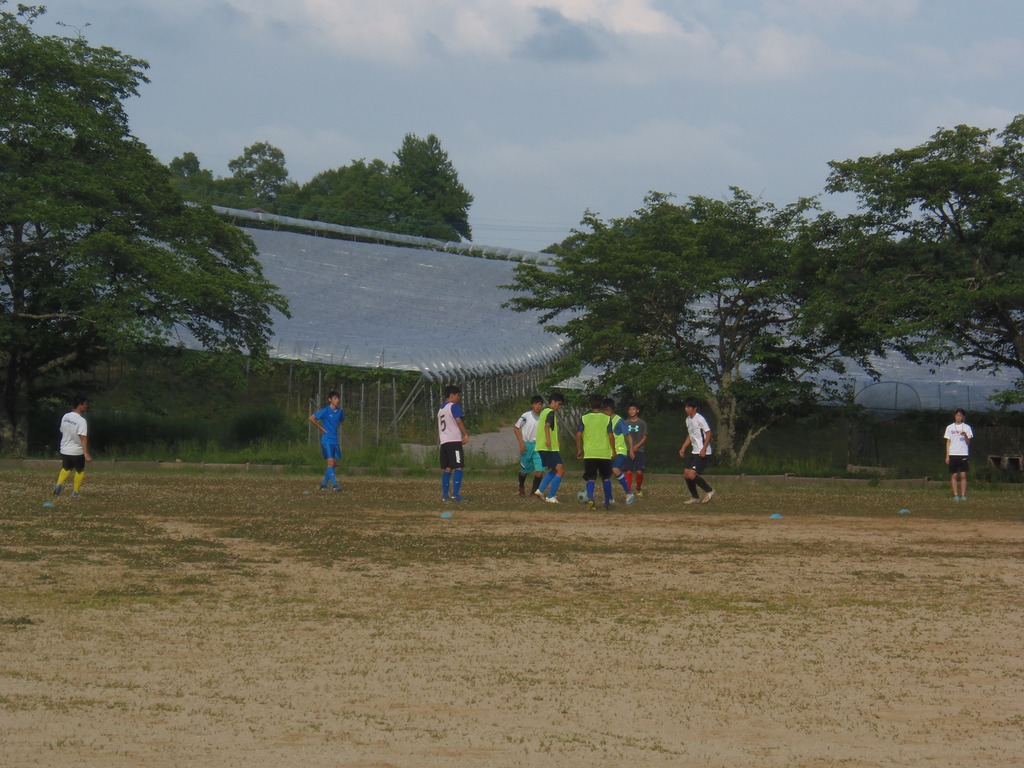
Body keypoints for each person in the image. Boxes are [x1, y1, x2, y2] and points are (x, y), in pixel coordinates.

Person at [577, 394, 616, 510]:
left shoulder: (584, 418)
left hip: (590, 453)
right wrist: (613, 450)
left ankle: (590, 498)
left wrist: (579, 449)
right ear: (602, 406)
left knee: (591, 478)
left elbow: (578, 434)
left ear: (590, 405)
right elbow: (610, 435)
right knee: (606, 478)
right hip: (604, 453)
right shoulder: (607, 418)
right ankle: (608, 501)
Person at [54, 394, 92, 498]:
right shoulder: (81, 420)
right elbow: (83, 437)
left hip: (64, 449)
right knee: (79, 470)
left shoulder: (65, 416)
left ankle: (58, 484)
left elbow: (62, 430)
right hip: (76, 451)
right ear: (80, 405)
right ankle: (75, 492)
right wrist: (86, 453)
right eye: (85, 404)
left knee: (66, 468)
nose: (86, 406)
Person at [679, 396, 715, 504]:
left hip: (703, 452)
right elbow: (690, 435)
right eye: (686, 407)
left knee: (691, 474)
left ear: (695, 408)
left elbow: (709, 433)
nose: (686, 409)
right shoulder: (688, 420)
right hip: (695, 451)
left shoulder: (700, 418)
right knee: (686, 474)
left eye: (689, 407)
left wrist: (704, 448)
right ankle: (695, 497)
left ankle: (710, 490)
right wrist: (683, 447)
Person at [438, 384, 470, 502]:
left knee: (447, 468)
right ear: (451, 395)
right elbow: (458, 420)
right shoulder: (454, 407)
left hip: (444, 442)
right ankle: (455, 495)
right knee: (459, 466)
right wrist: (465, 434)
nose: (459, 398)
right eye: (458, 396)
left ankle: (445, 496)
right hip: (454, 441)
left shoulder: (441, 409)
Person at [308, 390, 344, 491]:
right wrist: (321, 428)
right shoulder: (325, 411)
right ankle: (335, 485)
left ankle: (324, 484)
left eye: (338, 398)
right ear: (330, 400)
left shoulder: (340, 411)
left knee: (334, 464)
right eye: (335, 398)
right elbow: (311, 418)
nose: (337, 400)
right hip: (327, 440)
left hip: (335, 440)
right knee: (331, 463)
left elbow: (341, 420)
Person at [534, 391, 565, 504]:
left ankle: (540, 490)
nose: (559, 406)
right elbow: (547, 426)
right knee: (560, 470)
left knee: (554, 469)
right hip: (549, 447)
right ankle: (550, 496)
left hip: (543, 447)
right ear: (553, 402)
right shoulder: (550, 412)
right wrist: (548, 440)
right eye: (559, 403)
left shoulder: (544, 412)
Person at [603, 398, 635, 505]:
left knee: (615, 469)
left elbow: (628, 436)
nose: (604, 412)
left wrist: (631, 449)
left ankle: (629, 493)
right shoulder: (604, 420)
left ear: (609, 409)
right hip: (608, 453)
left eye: (605, 410)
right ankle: (610, 499)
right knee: (606, 476)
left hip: (620, 451)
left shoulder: (618, 420)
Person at [514, 395, 545, 497]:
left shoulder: (544, 416)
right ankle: (521, 486)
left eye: (540, 404)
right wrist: (521, 443)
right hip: (527, 445)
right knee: (524, 471)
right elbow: (516, 428)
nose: (537, 406)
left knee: (540, 471)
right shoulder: (526, 415)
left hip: (539, 446)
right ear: (532, 405)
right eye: (535, 404)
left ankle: (534, 493)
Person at [944, 408, 973, 501]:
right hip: (953, 453)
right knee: (954, 475)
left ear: (963, 417)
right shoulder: (949, 427)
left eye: (960, 415)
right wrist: (947, 456)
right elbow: (948, 442)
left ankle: (963, 494)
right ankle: (956, 494)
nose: (958, 417)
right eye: (957, 415)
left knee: (963, 475)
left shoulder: (967, 427)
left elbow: (968, 442)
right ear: (955, 416)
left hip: (963, 453)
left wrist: (965, 435)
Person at [624, 402, 648, 497]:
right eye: (630, 410)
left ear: (637, 410)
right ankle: (629, 492)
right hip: (628, 450)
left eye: (633, 409)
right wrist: (630, 448)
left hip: (639, 450)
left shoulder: (642, 423)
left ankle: (638, 487)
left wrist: (637, 446)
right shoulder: (625, 423)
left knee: (639, 472)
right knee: (628, 471)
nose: (631, 411)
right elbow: (625, 436)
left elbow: (645, 436)